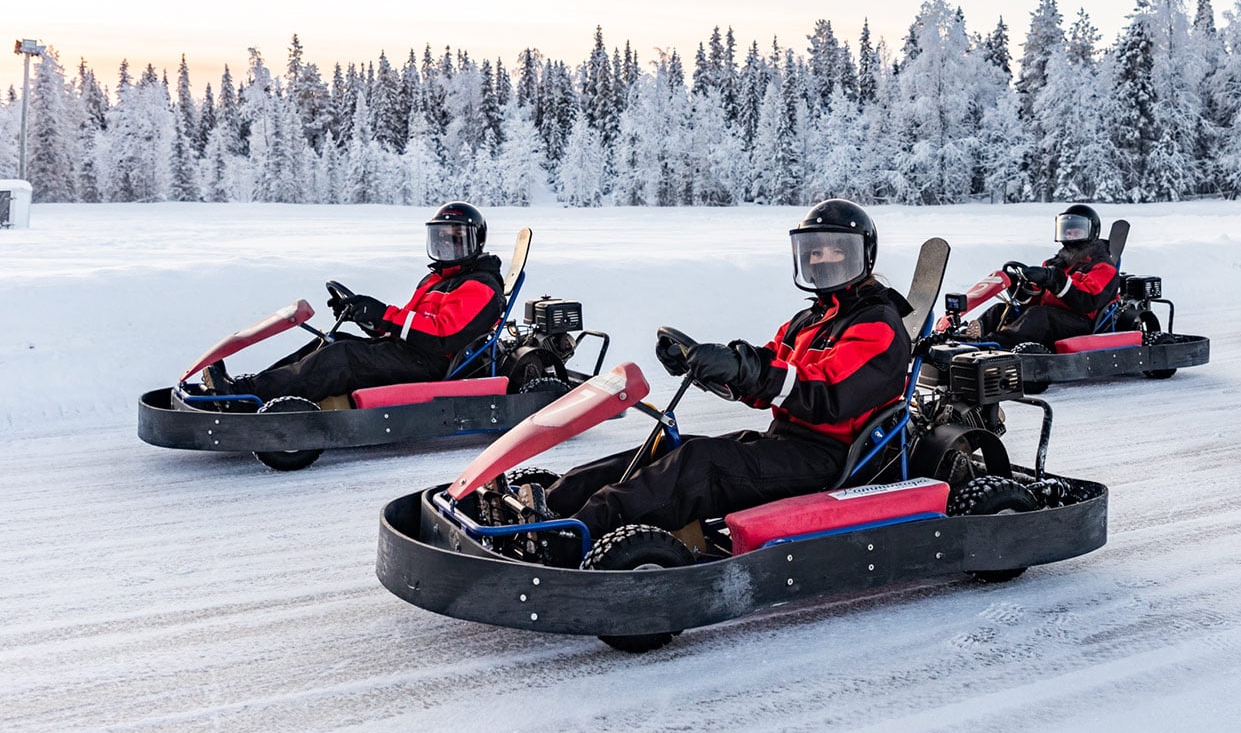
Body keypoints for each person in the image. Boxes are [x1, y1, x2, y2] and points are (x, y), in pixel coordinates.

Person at [540, 198, 914, 545]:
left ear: (862, 255)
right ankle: (552, 500)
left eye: (836, 250)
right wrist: (712, 366)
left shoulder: (877, 323)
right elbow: (766, 372)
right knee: (674, 446)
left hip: (832, 458)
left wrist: (744, 368)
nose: (822, 259)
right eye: (814, 250)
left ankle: (578, 533)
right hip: (787, 442)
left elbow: (827, 394)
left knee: (701, 465)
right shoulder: (810, 318)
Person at [202, 201, 506, 405]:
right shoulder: (437, 279)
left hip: (435, 364)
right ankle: (251, 390)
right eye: (440, 238)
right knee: (331, 342)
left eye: (455, 239)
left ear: (475, 241)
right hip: (412, 352)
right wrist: (368, 317)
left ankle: (250, 398)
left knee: (344, 357)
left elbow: (441, 336)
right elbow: (408, 326)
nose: (446, 246)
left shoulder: (479, 286)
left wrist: (384, 315)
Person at [964, 203, 1120, 349]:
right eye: (1068, 232)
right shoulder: (1056, 263)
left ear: (1091, 232)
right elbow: (1036, 298)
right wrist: (1018, 284)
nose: (1071, 236)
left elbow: (1087, 300)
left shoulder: (1102, 267)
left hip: (1082, 322)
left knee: (1039, 315)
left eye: (1077, 232)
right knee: (1002, 309)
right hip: (1052, 317)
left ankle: (993, 343)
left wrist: (1054, 279)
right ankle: (969, 337)